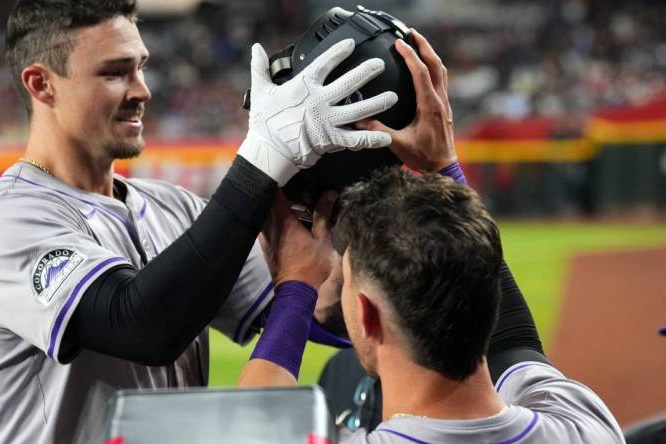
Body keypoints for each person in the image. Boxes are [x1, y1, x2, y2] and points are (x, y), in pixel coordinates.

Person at [0, 0, 399, 442]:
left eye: (140, 66)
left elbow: (324, 311)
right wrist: (265, 156)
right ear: (41, 84)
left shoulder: (176, 209)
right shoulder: (0, 222)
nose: (142, 89)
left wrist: (400, 172)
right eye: (114, 72)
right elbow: (142, 325)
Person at [239, 31, 625, 443]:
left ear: (368, 316)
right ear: (484, 306)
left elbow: (248, 427)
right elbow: (515, 343)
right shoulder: (582, 425)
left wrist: (295, 286)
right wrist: (445, 165)